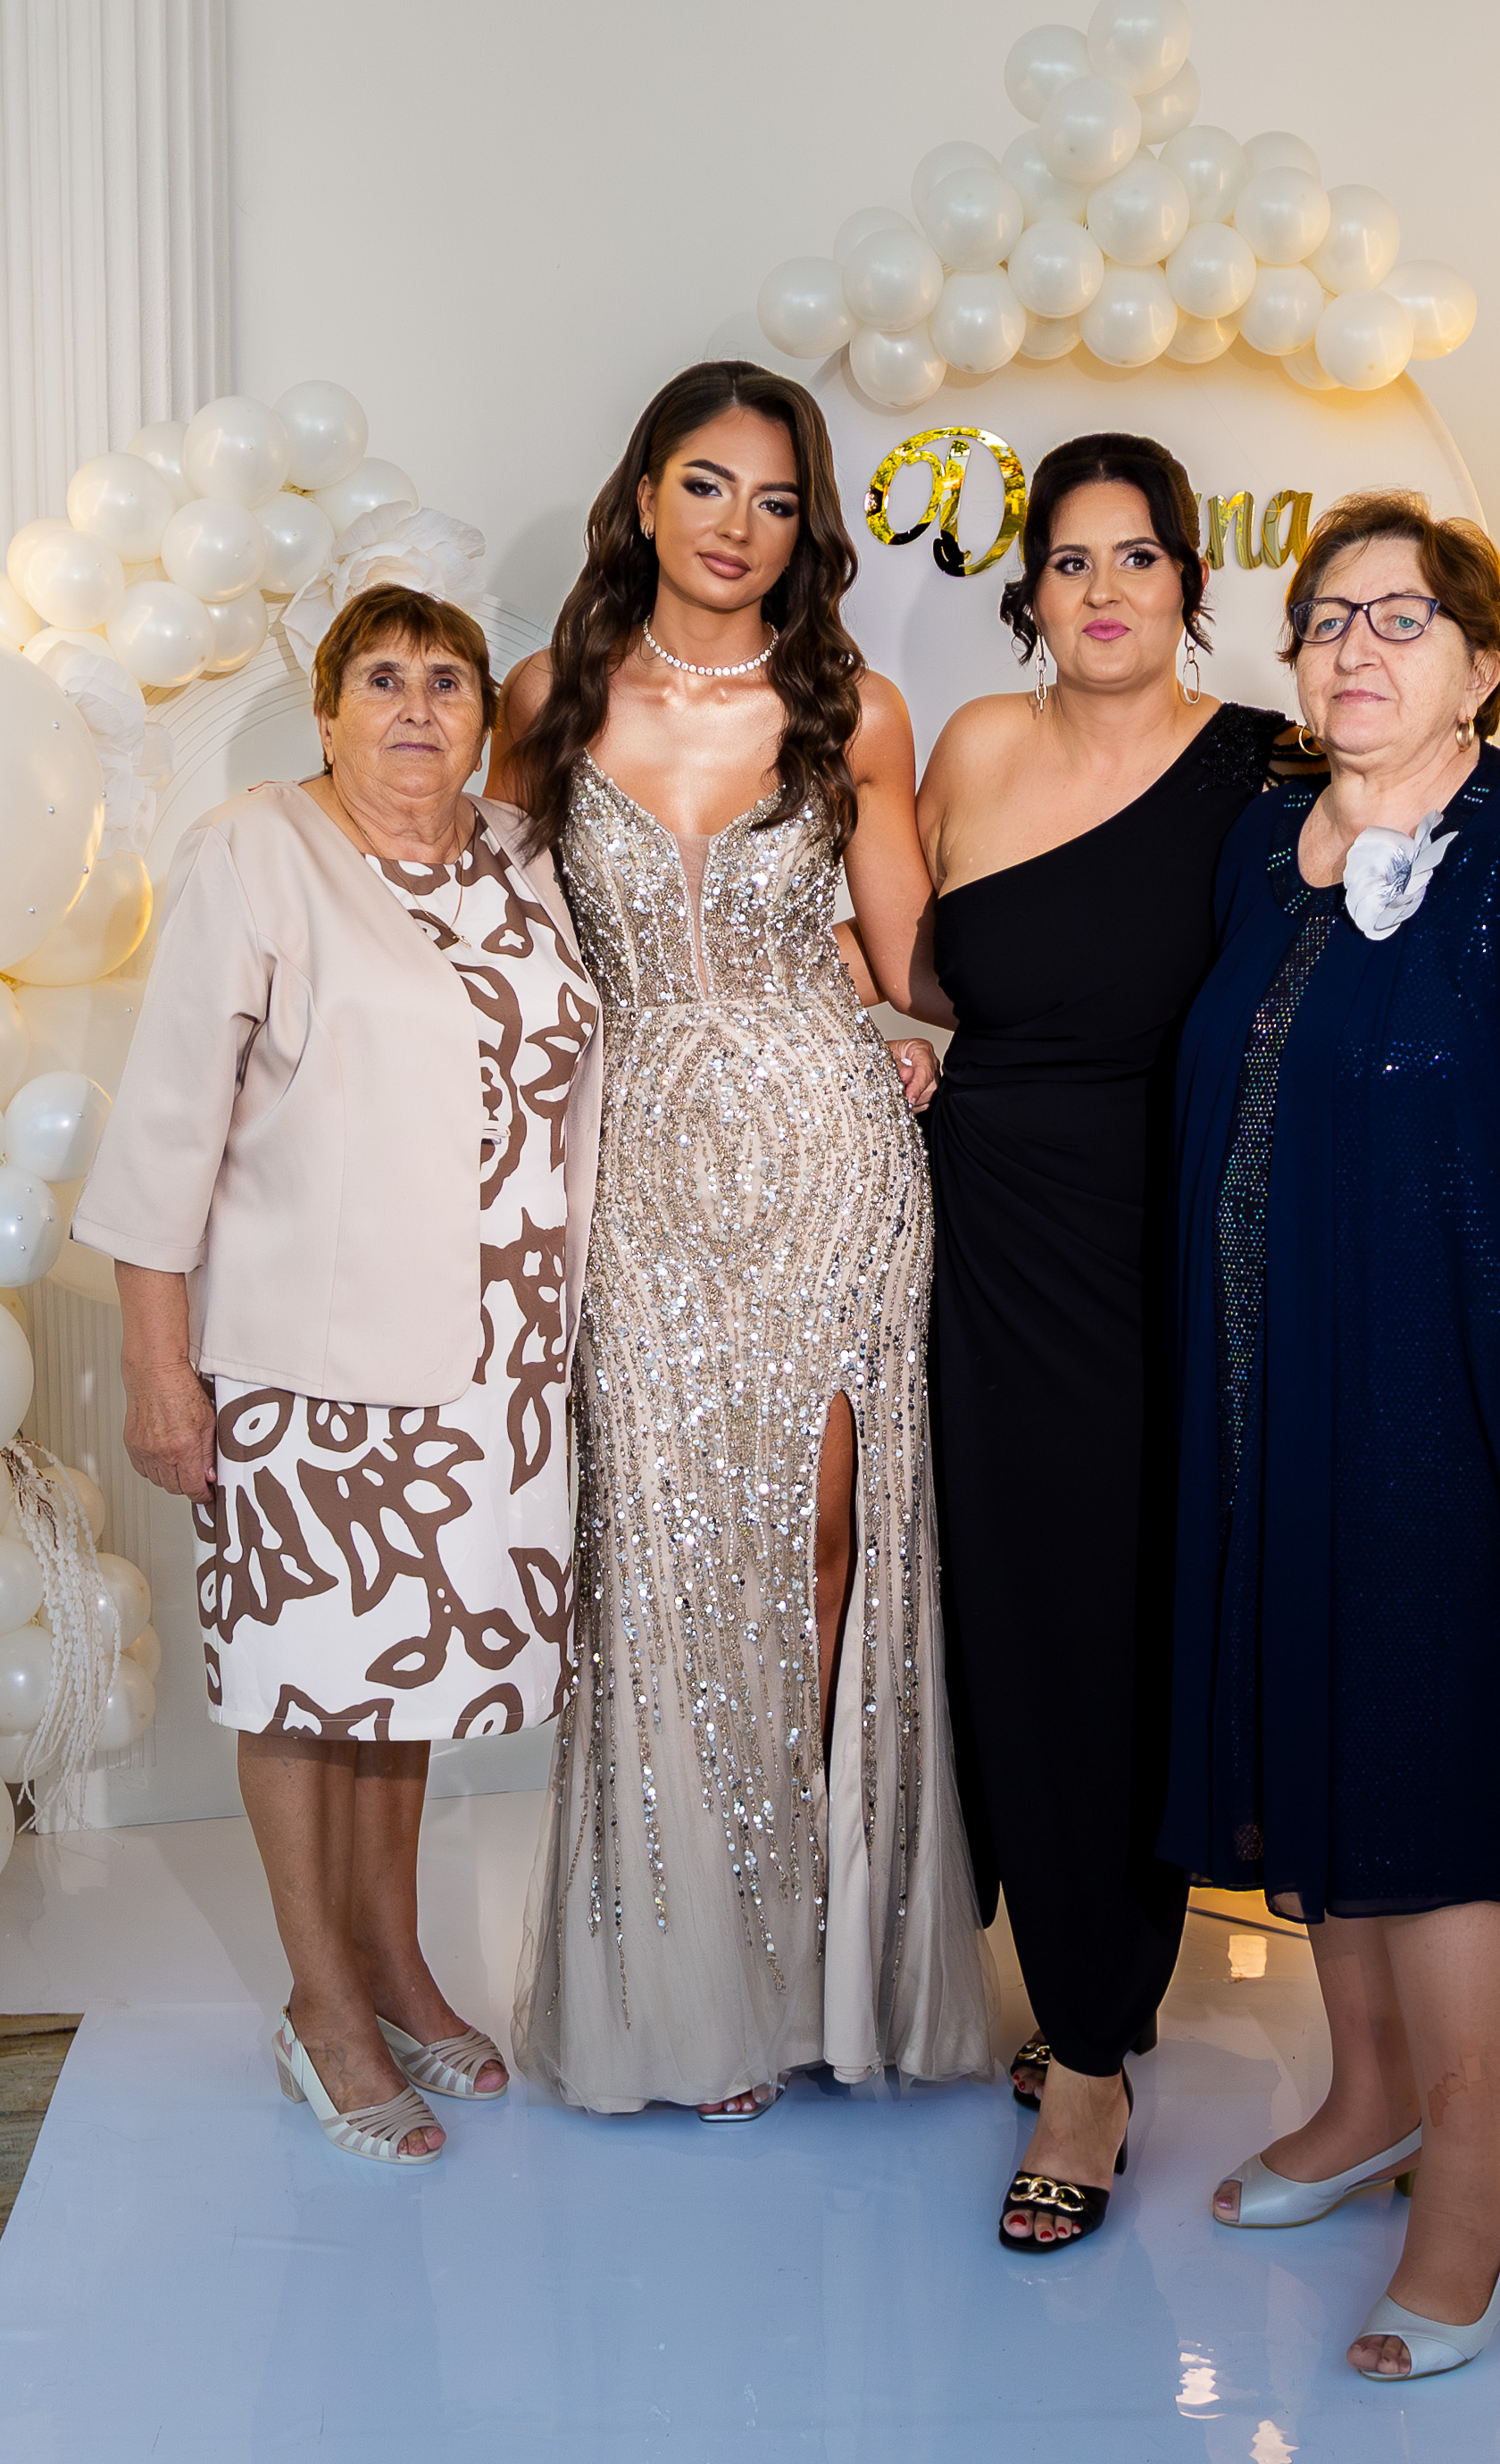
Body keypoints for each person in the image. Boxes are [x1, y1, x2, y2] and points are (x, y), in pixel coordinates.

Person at [1164, 495, 1500, 2375]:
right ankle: (1367, 2101)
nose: (1354, 649)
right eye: (1325, 618)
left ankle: (1473, 2191)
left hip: (1463, 1415)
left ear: (1480, 663)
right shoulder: (1261, 847)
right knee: (1320, 1751)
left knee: (1443, 1788)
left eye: (1401, 619)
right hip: (1272, 1398)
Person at [492, 361, 988, 2118]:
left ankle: (819, 1972)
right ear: (644, 495)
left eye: (776, 501)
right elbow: (501, 952)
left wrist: (957, 1031)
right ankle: (691, 1986)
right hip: (636, 1168)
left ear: (806, 530)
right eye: (706, 485)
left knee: (828, 1540)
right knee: (664, 1552)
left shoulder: (856, 710)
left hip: (830, 1156)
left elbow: (914, 955)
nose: (736, 527)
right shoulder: (547, 697)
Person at [76, 583, 598, 2167]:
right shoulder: (257, 850)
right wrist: (158, 1369)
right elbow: (168, 1120)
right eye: (381, 679)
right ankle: (321, 2007)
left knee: (404, 1681)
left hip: (494, 1362)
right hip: (306, 1363)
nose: (417, 708)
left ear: (486, 716)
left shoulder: (522, 853)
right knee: (309, 1685)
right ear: (325, 714)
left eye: (447, 681)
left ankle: (394, 1966)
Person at [912, 432, 1286, 2251]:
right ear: (1030, 593)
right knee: (1000, 1624)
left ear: (1188, 582)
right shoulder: (976, 747)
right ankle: (1060, 1983)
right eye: (1070, 562)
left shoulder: (1268, 770)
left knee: (1118, 1642)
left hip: (1168, 1259)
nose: (1104, 590)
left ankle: (1088, 2054)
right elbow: (910, 980)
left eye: (1136, 557)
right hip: (979, 1241)